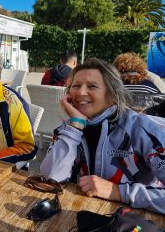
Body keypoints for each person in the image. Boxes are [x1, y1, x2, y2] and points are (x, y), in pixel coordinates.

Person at [39, 58, 165, 214]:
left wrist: (118, 192)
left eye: (92, 86)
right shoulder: (69, 126)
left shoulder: (142, 128)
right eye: (76, 86)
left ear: (112, 95)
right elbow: (51, 178)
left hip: (133, 220)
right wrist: (75, 126)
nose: (81, 92)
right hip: (77, 213)